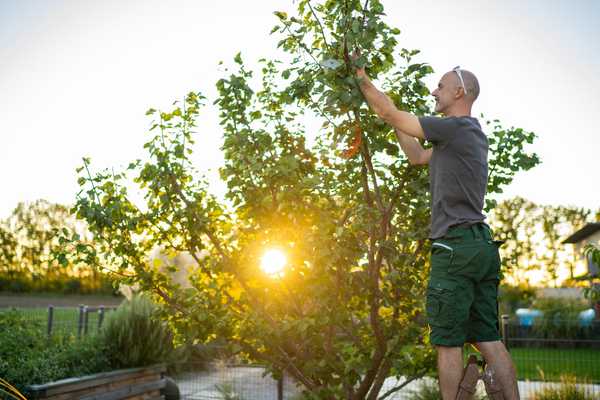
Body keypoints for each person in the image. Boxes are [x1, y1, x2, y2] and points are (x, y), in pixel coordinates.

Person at [354, 63, 520, 400]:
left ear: (459, 92)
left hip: (455, 247)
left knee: (447, 342)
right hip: (480, 245)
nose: (434, 91)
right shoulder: (469, 135)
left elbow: (385, 110)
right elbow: (416, 156)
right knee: (488, 338)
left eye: (440, 86)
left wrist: (360, 75)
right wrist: (396, 119)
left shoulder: (454, 128)